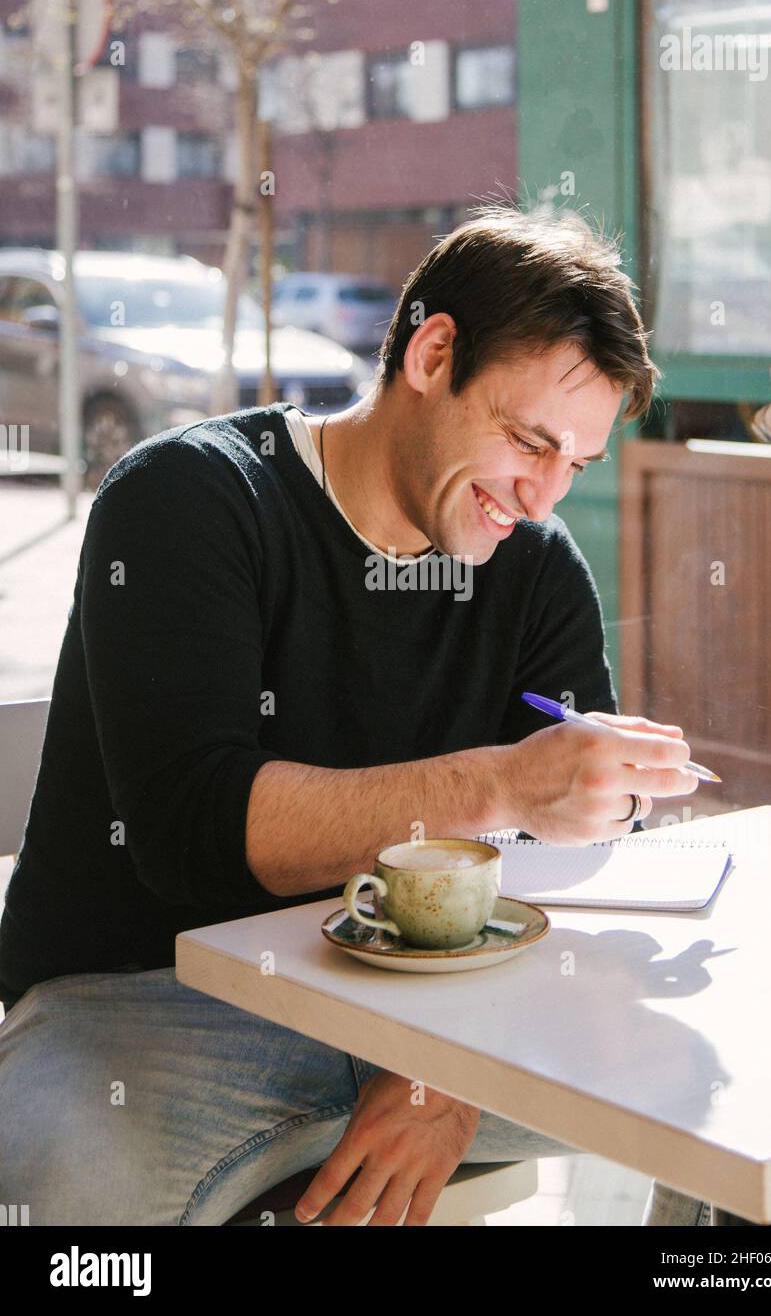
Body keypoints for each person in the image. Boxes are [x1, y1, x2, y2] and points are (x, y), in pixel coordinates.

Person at [0, 204, 702, 1226]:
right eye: (525, 441)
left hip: (427, 1002)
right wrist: (506, 783)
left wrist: (446, 1069)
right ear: (430, 352)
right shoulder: (188, 501)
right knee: (63, 1197)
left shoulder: (535, 570)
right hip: (147, 1003)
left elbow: (557, 875)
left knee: (728, 1085)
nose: (541, 498)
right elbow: (199, 830)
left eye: (574, 466)